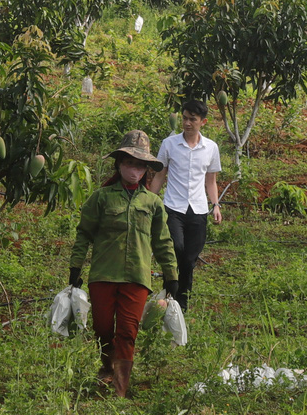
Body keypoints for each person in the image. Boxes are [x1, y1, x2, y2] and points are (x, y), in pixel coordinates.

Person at [69, 130, 177, 398]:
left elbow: (162, 241)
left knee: (127, 332)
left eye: (140, 165)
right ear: (119, 164)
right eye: (130, 163)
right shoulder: (102, 197)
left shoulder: (153, 203)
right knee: (103, 327)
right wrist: (75, 268)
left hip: (136, 277)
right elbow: (84, 233)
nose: (134, 170)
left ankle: (118, 389)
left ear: (146, 170)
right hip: (103, 274)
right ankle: (106, 367)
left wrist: (171, 274)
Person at [156, 98, 222, 307]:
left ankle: (181, 303)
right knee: (176, 248)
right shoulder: (169, 144)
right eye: (184, 118)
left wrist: (216, 205)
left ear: (203, 121)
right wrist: (148, 202)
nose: (187, 123)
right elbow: (159, 176)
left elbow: (210, 180)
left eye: (192, 119)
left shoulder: (210, 148)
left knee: (189, 259)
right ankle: (170, 294)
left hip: (199, 209)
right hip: (173, 207)